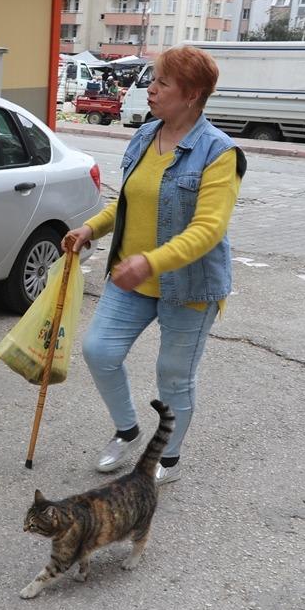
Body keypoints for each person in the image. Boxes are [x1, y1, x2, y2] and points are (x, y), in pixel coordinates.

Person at [62, 44, 245, 486]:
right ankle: (127, 430)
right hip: (132, 276)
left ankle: (168, 458)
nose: (151, 89)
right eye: (153, 79)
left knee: (173, 377)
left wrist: (151, 262)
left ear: (192, 94)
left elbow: (208, 229)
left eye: (163, 82)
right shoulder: (145, 135)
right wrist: (91, 228)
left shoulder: (220, 153)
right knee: (99, 351)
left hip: (189, 287)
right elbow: (128, 204)